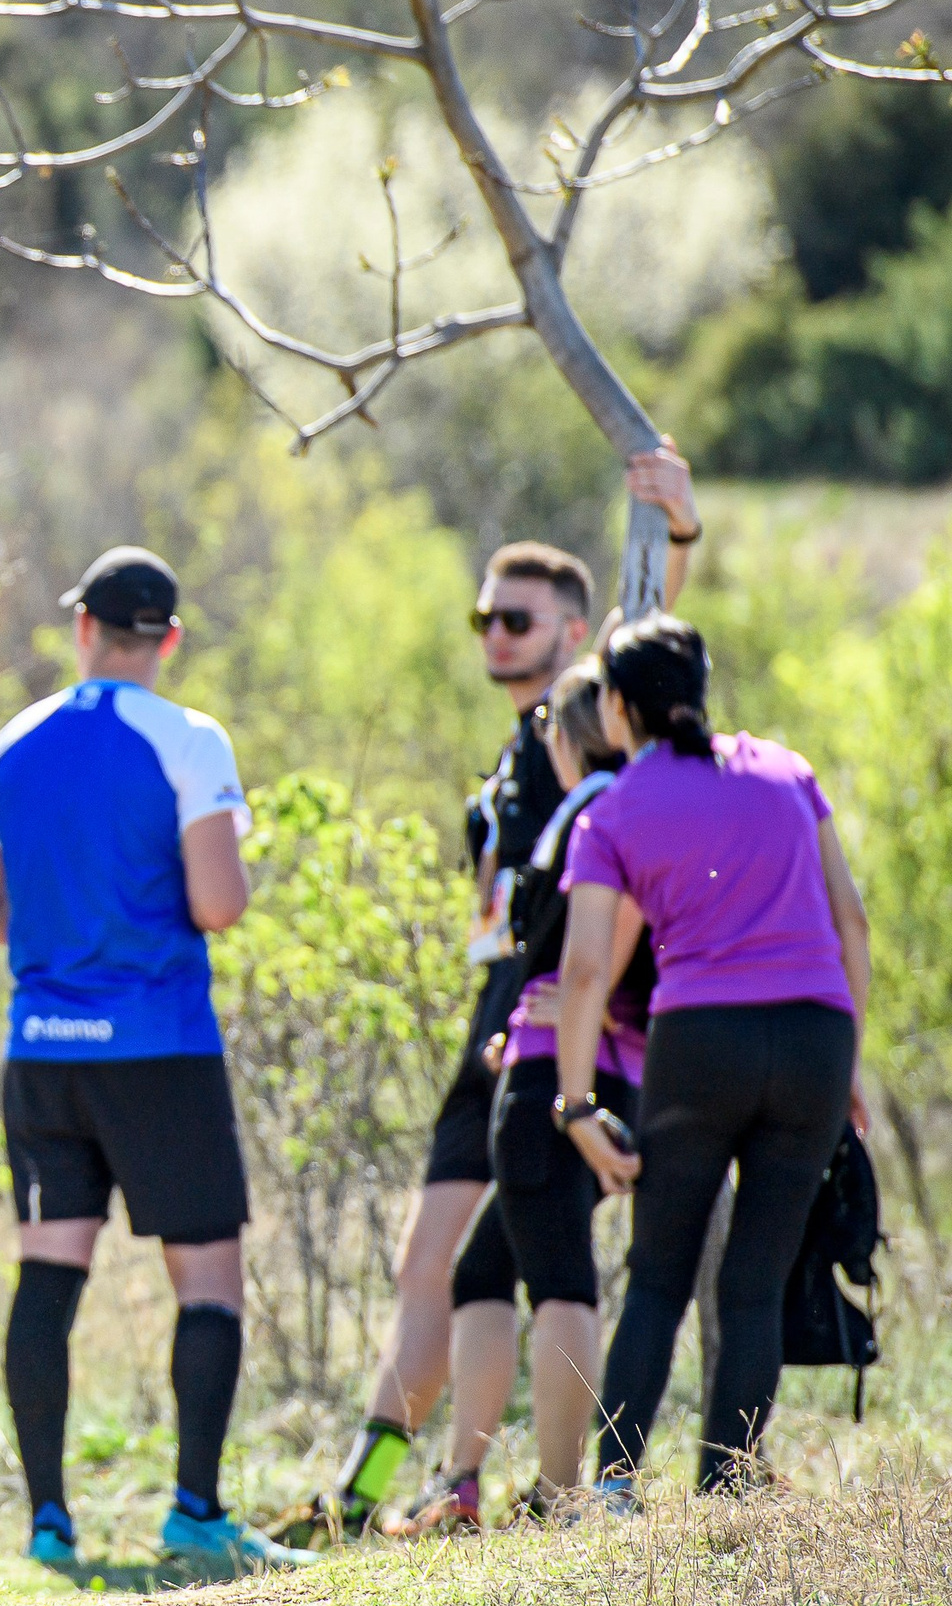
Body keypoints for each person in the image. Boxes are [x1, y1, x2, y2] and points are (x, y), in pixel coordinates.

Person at [291, 452, 700, 1543]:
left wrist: (679, 535)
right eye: (481, 619)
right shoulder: (517, 755)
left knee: (528, 1260)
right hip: (493, 1023)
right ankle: (389, 1488)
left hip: (561, 1026)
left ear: (574, 633)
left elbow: (650, 646)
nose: (493, 637)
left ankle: (537, 1492)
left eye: (515, 619)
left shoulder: (591, 730)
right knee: (437, 1263)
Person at [0, 547, 315, 1580]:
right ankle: (195, 1513)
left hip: (42, 1059)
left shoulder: (8, 746)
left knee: (47, 1277)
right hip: (159, 1052)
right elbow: (217, 904)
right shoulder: (189, 740)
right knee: (207, 1279)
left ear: (81, 630)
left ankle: (49, 1525)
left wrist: (59, 914)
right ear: (169, 640)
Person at [556, 616, 872, 1503]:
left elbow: (585, 969)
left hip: (701, 1045)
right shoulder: (785, 772)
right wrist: (845, 1055)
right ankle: (725, 1492)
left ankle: (615, 1490)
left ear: (617, 707)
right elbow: (852, 923)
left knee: (658, 1270)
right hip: (814, 1037)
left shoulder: (614, 809)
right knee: (756, 1281)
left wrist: (576, 1103)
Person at [429, 661, 650, 1527]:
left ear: (568, 734)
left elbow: (596, 956)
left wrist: (558, 1017)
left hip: (561, 1076)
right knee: (482, 1269)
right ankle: (462, 1485)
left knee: (560, 1275)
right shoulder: (633, 809)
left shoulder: (591, 816)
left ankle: (562, 1498)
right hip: (604, 1062)